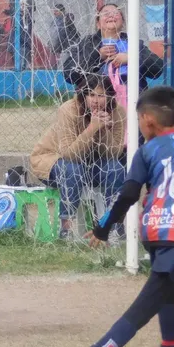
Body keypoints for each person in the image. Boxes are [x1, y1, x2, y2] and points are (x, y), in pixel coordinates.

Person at [71, 87, 174, 347]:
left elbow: (129, 194)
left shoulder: (147, 151)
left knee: (169, 288)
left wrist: (103, 228)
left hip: (153, 230)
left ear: (148, 120)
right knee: (150, 301)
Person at [30, 75, 126, 237]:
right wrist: (92, 128)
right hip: (55, 160)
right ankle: (67, 227)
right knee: (73, 169)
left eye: (101, 95)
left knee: (115, 168)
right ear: (84, 95)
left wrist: (103, 130)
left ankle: (114, 223)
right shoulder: (68, 109)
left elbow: (114, 154)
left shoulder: (118, 112)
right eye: (91, 95)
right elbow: (69, 154)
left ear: (109, 96)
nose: (96, 101)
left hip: (92, 163)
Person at [64, 3, 164, 107]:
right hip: (94, 101)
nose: (111, 16)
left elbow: (157, 69)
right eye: (106, 13)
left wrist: (132, 58)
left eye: (116, 13)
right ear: (98, 23)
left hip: (131, 100)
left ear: (123, 22)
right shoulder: (86, 44)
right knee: (66, 109)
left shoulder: (134, 44)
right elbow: (69, 75)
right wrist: (98, 56)